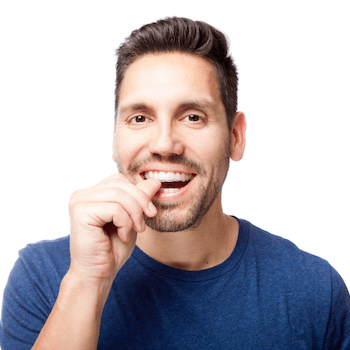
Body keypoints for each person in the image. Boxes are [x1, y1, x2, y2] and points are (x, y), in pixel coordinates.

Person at [0, 16, 349, 350]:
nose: (164, 143)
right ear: (114, 137)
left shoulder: (315, 290)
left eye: (192, 116)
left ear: (235, 136)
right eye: (140, 118)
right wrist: (87, 282)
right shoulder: (43, 278)